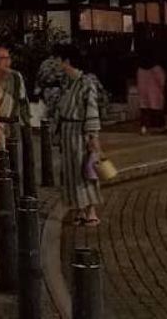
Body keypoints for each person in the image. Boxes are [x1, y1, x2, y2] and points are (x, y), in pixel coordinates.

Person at [53, 43, 103, 226]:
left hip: (80, 131)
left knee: (85, 171)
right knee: (71, 172)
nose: (57, 63)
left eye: (60, 60)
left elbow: (91, 108)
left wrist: (93, 135)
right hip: (67, 131)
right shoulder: (67, 82)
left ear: (66, 61)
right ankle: (79, 208)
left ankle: (91, 210)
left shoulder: (85, 82)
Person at [136, 55, 167, 135]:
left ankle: (144, 128)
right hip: (155, 92)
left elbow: (138, 81)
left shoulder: (140, 69)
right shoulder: (156, 68)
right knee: (157, 110)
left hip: (143, 92)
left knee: (145, 111)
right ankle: (159, 128)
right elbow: (161, 81)